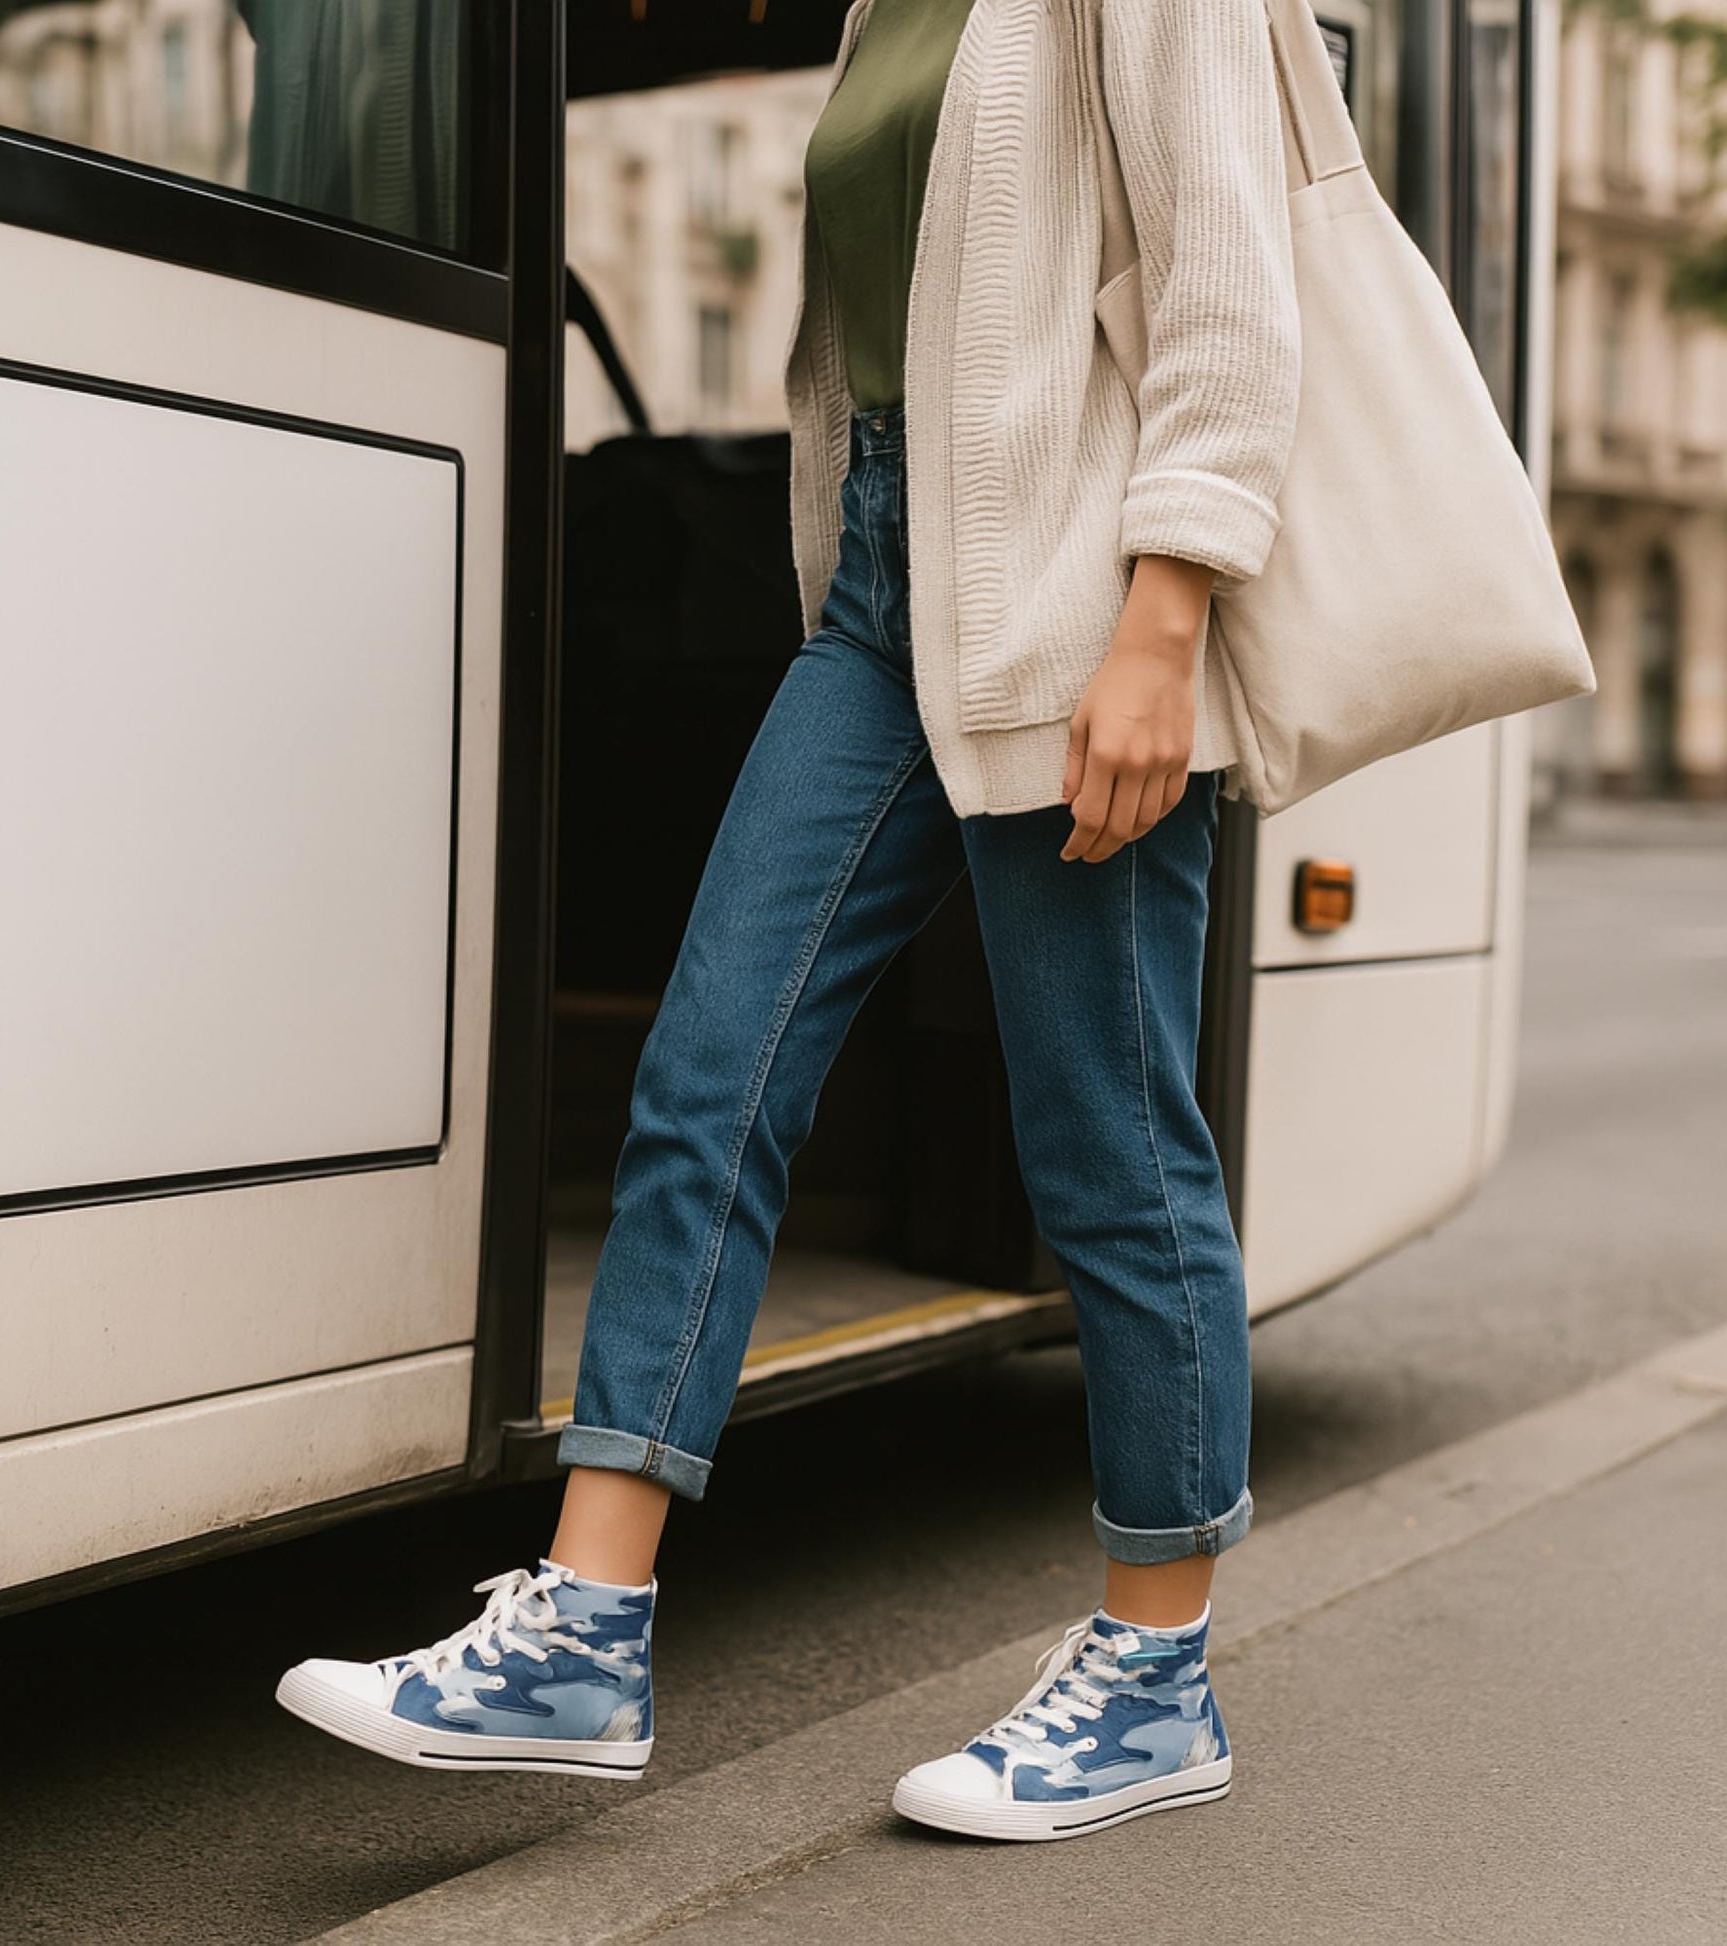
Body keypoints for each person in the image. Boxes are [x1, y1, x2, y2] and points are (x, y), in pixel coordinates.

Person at [278, 0, 1301, 1844]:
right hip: (884, 586)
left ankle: (1157, 1677)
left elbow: (1229, 283)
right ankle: (584, 1634)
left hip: (1076, 586)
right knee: (710, 1070)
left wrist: (1166, 618)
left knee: (1108, 1141)